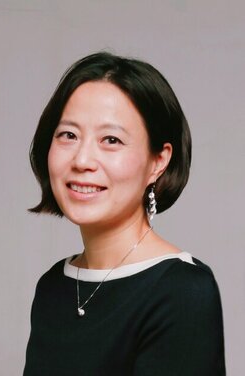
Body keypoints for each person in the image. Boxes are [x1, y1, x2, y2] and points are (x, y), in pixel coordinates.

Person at [23, 52, 225, 375]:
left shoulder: (182, 291)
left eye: (111, 140)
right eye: (68, 135)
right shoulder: (53, 287)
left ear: (158, 162)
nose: (82, 160)